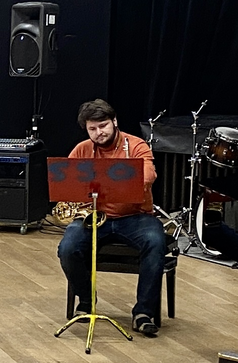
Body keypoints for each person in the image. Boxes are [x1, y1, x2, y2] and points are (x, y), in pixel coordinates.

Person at [56, 100, 170, 337]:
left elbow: (148, 176)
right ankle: (87, 300)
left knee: (155, 242)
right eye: (92, 129)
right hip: (94, 215)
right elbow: (68, 182)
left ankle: (143, 313)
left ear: (114, 121)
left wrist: (110, 185)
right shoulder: (82, 149)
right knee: (67, 248)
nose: (99, 132)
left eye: (103, 126)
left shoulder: (136, 145)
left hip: (135, 216)